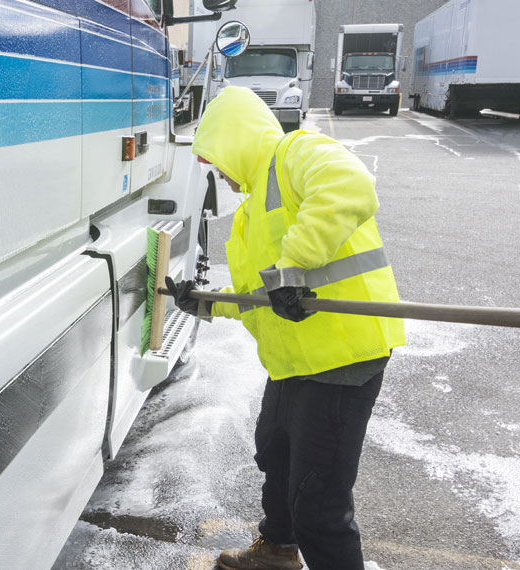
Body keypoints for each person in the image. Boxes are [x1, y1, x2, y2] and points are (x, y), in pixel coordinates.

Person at [165, 86, 405, 570]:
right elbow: (261, 300)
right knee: (275, 460)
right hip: (295, 362)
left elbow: (351, 186)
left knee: (318, 500)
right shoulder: (251, 214)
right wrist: (205, 305)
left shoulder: (296, 152)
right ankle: (277, 550)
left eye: (218, 160)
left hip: (341, 359)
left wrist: (293, 266)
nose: (220, 173)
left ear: (236, 140)